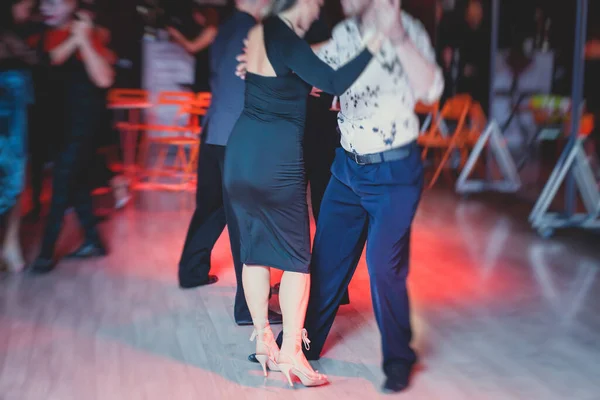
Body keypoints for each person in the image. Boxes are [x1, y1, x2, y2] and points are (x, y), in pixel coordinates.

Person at [244, 0, 444, 392]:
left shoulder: (410, 30)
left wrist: (398, 36)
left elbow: (432, 90)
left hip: (394, 171)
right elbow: (315, 71)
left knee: (385, 269)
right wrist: (264, 63)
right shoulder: (347, 34)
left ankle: (399, 359)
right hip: (348, 166)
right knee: (326, 259)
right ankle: (302, 345)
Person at [223, 0, 395, 388]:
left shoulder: (262, 33)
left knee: (254, 252)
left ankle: (265, 340)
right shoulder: (286, 36)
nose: (319, 6)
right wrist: (375, 43)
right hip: (275, 159)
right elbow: (333, 82)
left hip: (241, 153)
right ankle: (293, 356)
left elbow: (302, 74)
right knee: (297, 260)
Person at [176, 0, 281, 327]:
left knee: (211, 208)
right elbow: (243, 87)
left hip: (214, 129)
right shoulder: (251, 29)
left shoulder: (223, 29)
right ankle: (250, 307)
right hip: (235, 133)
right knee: (245, 221)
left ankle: (191, 271)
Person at [30, 0, 115, 273]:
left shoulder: (89, 36)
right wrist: (76, 38)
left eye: (54, 1)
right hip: (54, 124)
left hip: (81, 127)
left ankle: (45, 254)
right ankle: (93, 241)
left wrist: (83, 40)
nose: (47, 7)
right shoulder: (37, 36)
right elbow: (50, 61)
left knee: (62, 185)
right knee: (75, 184)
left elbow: (104, 79)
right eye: (43, 2)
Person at [0, 0, 36, 273]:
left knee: (14, 178)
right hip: (8, 118)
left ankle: (10, 244)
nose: (31, 7)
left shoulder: (21, 34)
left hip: (16, 120)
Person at [167, 5, 219, 93]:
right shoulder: (206, 29)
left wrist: (177, 34)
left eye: (196, 16)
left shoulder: (211, 30)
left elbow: (192, 47)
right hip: (204, 67)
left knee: (203, 93)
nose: (195, 19)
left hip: (208, 68)